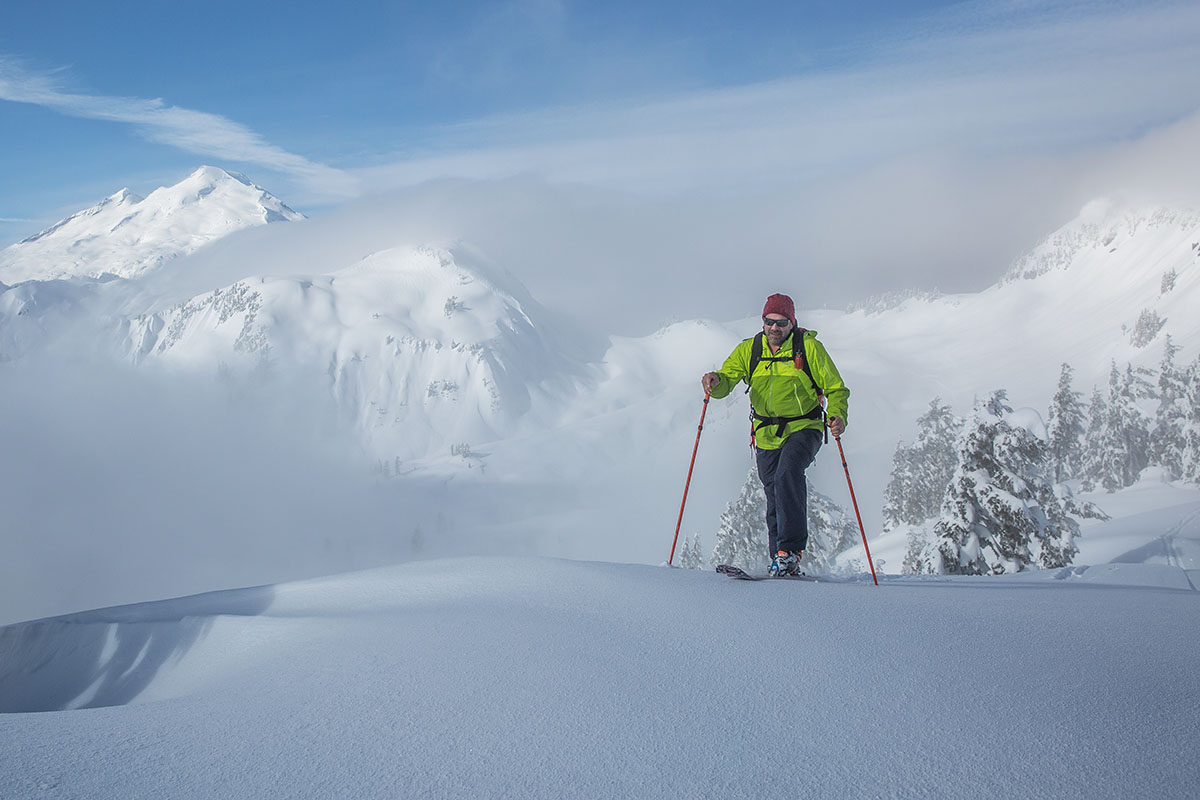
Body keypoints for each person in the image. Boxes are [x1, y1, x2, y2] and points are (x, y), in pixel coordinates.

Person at [701, 293, 849, 576]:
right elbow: (728, 378)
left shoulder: (808, 348)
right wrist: (715, 381)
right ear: (763, 321)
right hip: (766, 434)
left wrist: (838, 414)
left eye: (781, 322)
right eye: (769, 322)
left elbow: (836, 388)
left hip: (805, 427)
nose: (774, 328)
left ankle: (789, 554)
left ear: (792, 322)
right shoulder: (750, 350)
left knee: (787, 474)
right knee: (773, 492)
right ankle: (779, 560)